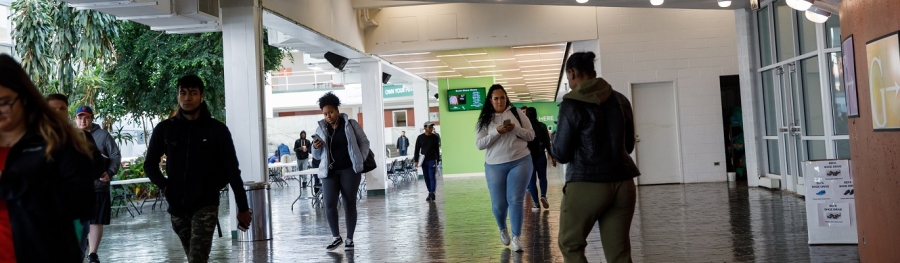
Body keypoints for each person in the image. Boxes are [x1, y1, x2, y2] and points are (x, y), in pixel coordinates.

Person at [144, 75, 252, 263]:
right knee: (193, 257)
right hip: (177, 207)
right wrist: (165, 186)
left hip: (205, 203)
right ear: (178, 96)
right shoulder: (165, 129)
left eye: (193, 93)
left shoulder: (217, 130)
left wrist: (243, 207)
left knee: (197, 258)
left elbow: (232, 170)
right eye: (183, 93)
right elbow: (150, 165)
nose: (187, 98)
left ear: (201, 96)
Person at [0, 54, 96, 261]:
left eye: (4, 103)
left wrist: (12, 184)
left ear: (24, 97)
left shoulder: (56, 141)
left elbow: (82, 202)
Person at [552, 52, 640, 263]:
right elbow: (628, 146)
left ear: (572, 73)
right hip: (624, 183)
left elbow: (561, 154)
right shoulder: (621, 99)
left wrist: (554, 137)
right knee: (619, 254)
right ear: (593, 72)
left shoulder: (571, 103)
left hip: (587, 182)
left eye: (568, 77)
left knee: (570, 244)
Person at [475, 84, 535, 253]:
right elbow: (479, 144)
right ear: (490, 100)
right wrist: (496, 132)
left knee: (515, 199)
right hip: (494, 165)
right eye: (496, 98)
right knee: (499, 204)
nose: (500, 101)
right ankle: (502, 228)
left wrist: (515, 128)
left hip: (521, 160)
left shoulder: (516, 113)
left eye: (502, 97)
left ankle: (516, 237)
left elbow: (531, 135)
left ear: (506, 98)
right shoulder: (484, 120)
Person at [311, 92, 370, 251]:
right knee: (329, 204)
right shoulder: (321, 128)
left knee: (349, 203)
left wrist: (361, 158)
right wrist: (315, 147)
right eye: (325, 113)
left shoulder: (350, 124)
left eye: (331, 112)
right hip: (330, 172)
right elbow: (316, 155)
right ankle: (336, 237)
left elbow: (364, 142)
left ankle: (349, 239)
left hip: (349, 170)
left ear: (337, 110)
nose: (328, 116)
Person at [74, 105, 120, 263]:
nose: (83, 120)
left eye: (86, 117)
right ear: (76, 119)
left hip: (99, 186)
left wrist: (110, 172)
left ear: (92, 118)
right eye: (80, 117)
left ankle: (92, 254)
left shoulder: (103, 135)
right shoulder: (71, 136)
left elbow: (115, 155)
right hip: (77, 189)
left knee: (95, 220)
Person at [524, 107, 556, 212]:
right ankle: (543, 195)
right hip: (541, 156)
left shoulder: (525, 129)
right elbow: (547, 143)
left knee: (531, 181)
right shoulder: (542, 126)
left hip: (529, 158)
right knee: (543, 177)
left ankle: (536, 205)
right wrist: (553, 157)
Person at [414, 122, 441, 202]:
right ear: (425, 128)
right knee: (426, 177)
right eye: (430, 127)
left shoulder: (435, 137)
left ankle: (432, 192)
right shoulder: (420, 138)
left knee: (432, 176)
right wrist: (416, 160)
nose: (432, 128)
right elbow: (417, 149)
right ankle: (430, 192)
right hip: (423, 160)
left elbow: (437, 149)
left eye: (432, 127)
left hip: (432, 159)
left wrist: (438, 159)